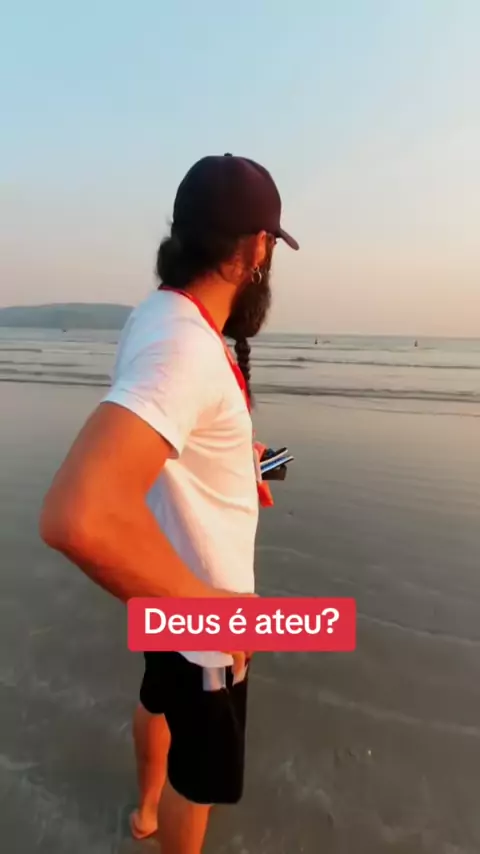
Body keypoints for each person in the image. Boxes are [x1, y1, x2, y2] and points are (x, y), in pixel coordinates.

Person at [39, 152, 299, 854]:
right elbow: (75, 514)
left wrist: (238, 459)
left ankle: (145, 813)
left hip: (158, 582)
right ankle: (164, 815)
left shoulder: (159, 316)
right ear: (257, 250)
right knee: (201, 776)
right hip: (200, 611)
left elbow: (166, 431)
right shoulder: (186, 348)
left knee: (158, 698)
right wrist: (215, 612)